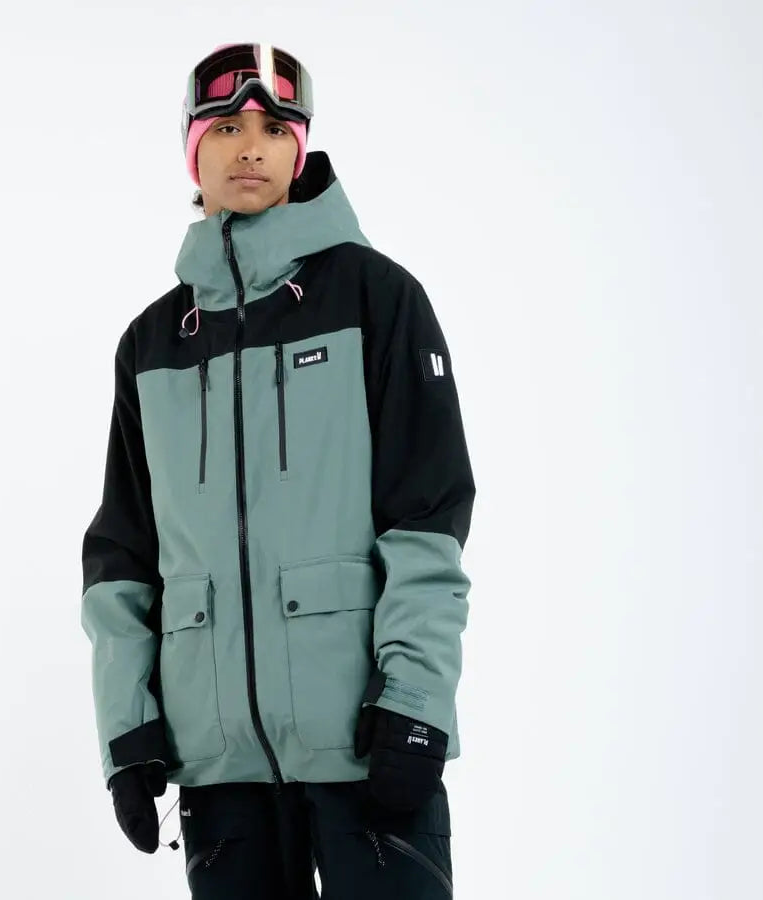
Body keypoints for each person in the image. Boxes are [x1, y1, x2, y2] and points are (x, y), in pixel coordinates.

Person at [80, 42, 476, 899]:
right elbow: (122, 554)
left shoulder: (378, 299)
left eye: (273, 128)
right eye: (225, 129)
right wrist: (129, 730)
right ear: (193, 151)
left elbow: (428, 520)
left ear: (301, 148)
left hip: (367, 746)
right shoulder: (152, 344)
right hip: (220, 770)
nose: (249, 148)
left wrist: (414, 705)